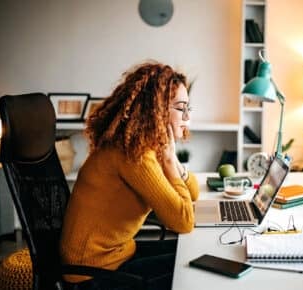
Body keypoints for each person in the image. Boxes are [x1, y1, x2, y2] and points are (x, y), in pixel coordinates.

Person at [60, 61, 199, 290]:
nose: (187, 117)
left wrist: (173, 162)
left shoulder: (146, 146)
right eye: (181, 108)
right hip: (90, 274)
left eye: (188, 108)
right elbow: (183, 221)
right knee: (193, 274)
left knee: (192, 256)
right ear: (157, 110)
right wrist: (169, 160)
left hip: (118, 255)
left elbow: (192, 193)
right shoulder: (134, 155)